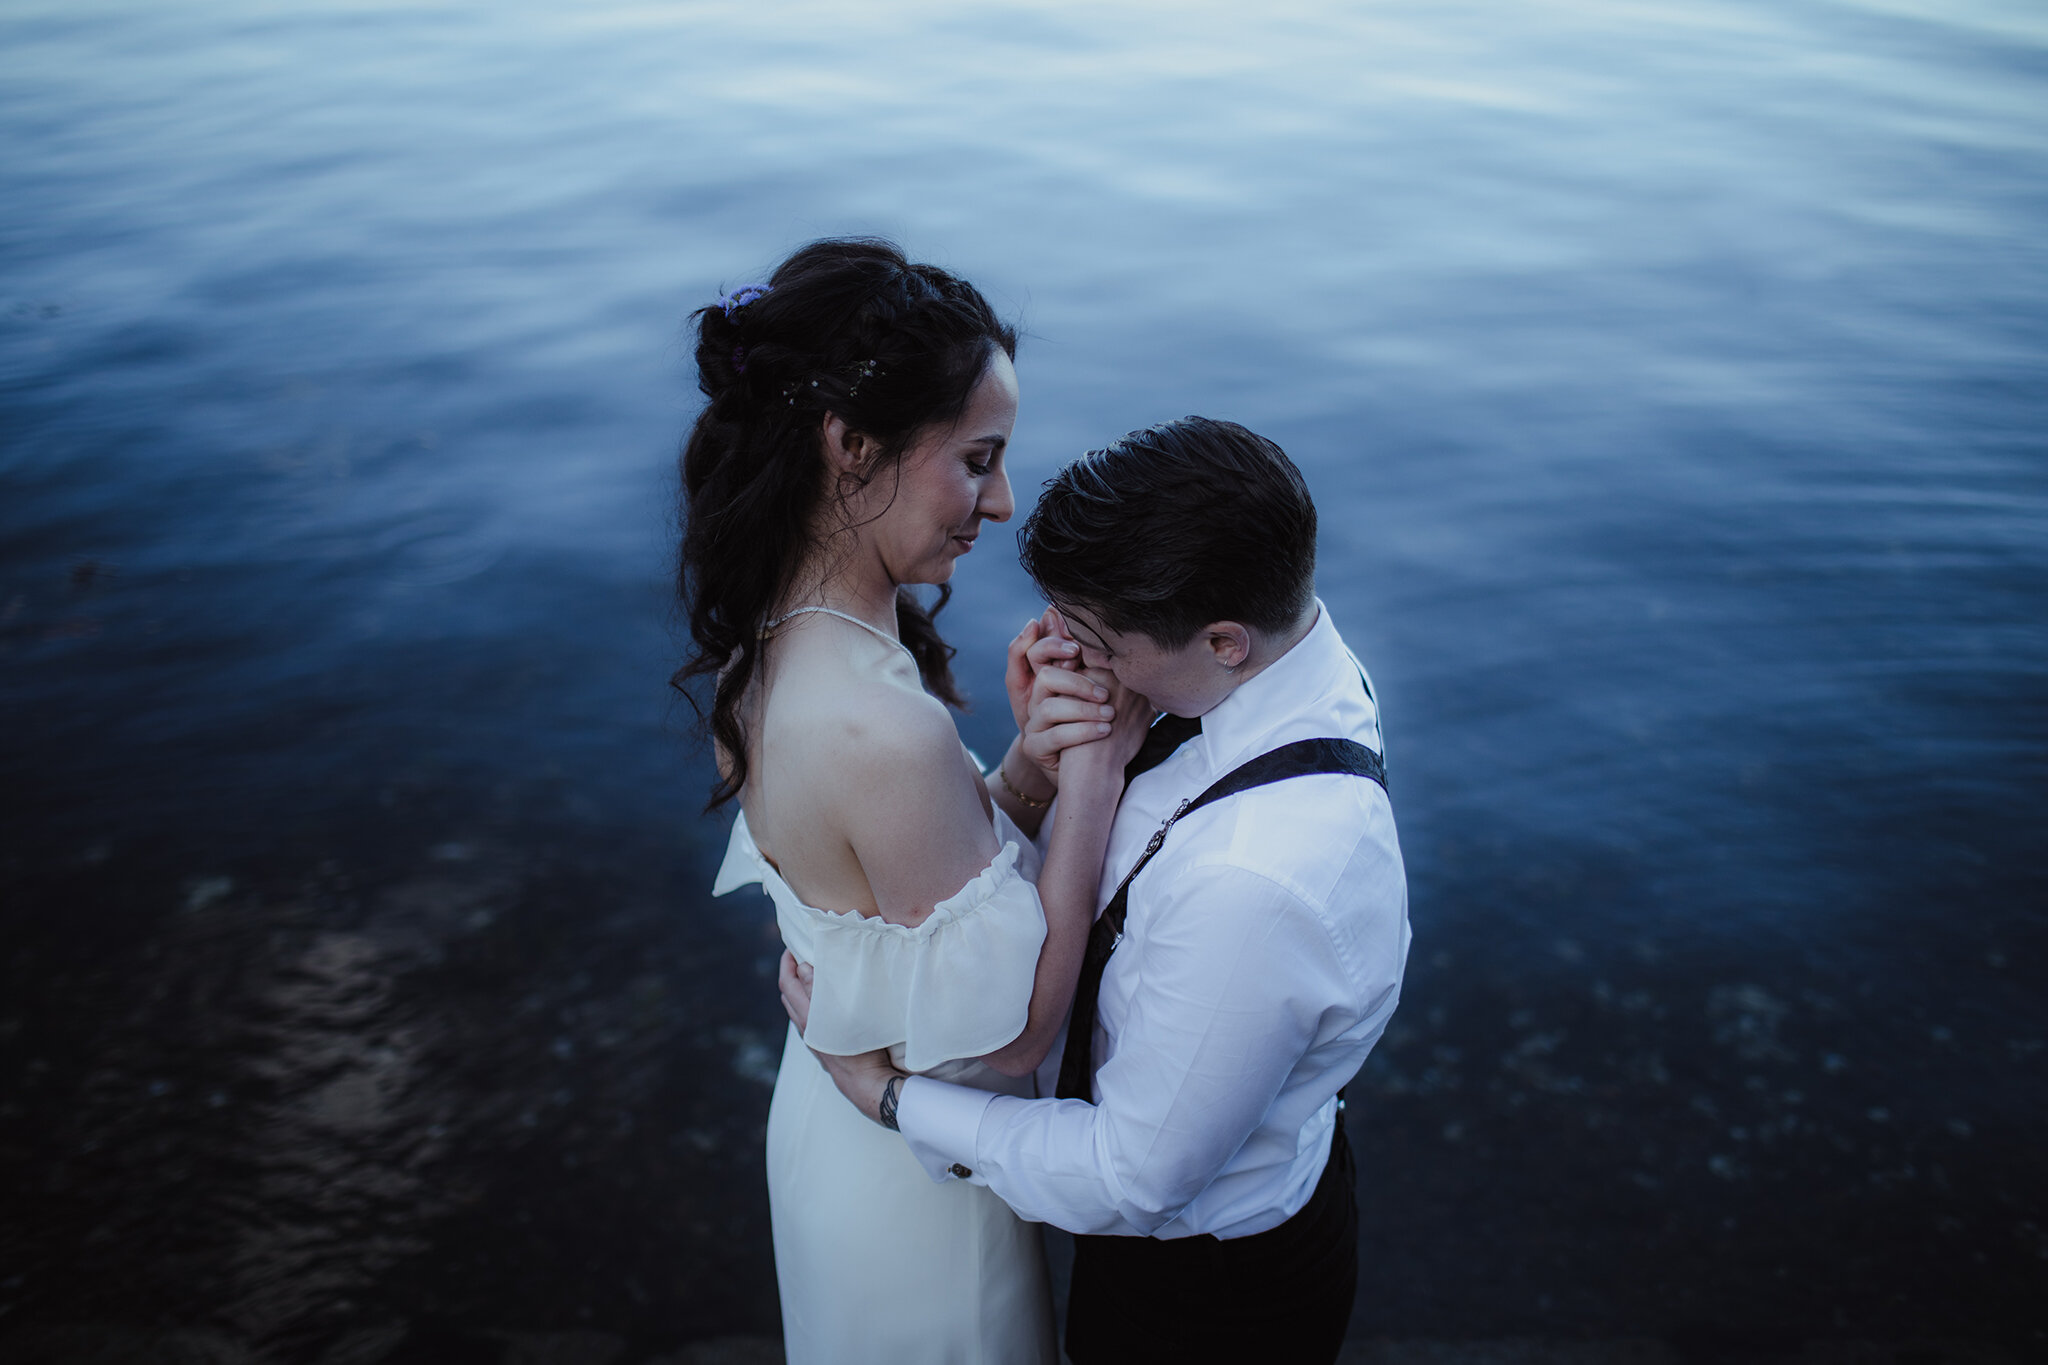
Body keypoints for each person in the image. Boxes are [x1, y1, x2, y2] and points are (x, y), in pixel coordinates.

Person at [794, 416, 1411, 1363]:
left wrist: (889, 1099)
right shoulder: (1278, 661)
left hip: (1206, 1297)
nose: (1064, 652)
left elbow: (1129, 1175)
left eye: (1096, 640)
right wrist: (1058, 756)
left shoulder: (1255, 883)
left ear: (1225, 639)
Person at [679, 239, 1150, 1364]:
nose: (1001, 500)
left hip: (834, 1125)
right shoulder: (878, 724)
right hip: (915, 1194)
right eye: (977, 459)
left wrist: (1028, 768)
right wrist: (1093, 779)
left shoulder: (778, 643)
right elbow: (1013, 1032)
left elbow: (899, 907)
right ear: (851, 446)